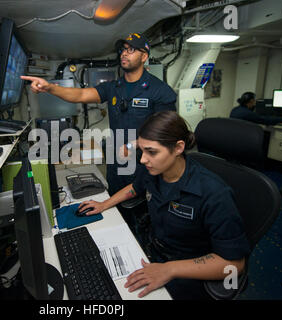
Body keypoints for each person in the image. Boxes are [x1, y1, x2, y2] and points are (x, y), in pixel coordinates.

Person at [77, 111, 250, 300]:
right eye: (142, 151)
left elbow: (234, 264)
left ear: (178, 148)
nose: (143, 159)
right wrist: (104, 204)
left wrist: (170, 269)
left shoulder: (214, 194)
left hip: (188, 270)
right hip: (152, 250)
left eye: (151, 152)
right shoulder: (156, 169)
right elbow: (135, 188)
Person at [21, 33, 176, 228]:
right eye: (122, 49)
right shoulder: (114, 87)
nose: (124, 54)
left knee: (144, 220)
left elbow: (166, 132)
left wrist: (133, 144)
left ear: (144, 56)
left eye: (131, 49)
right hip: (117, 165)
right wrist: (50, 88)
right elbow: (81, 94)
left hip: (145, 167)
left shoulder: (160, 91)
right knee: (118, 217)